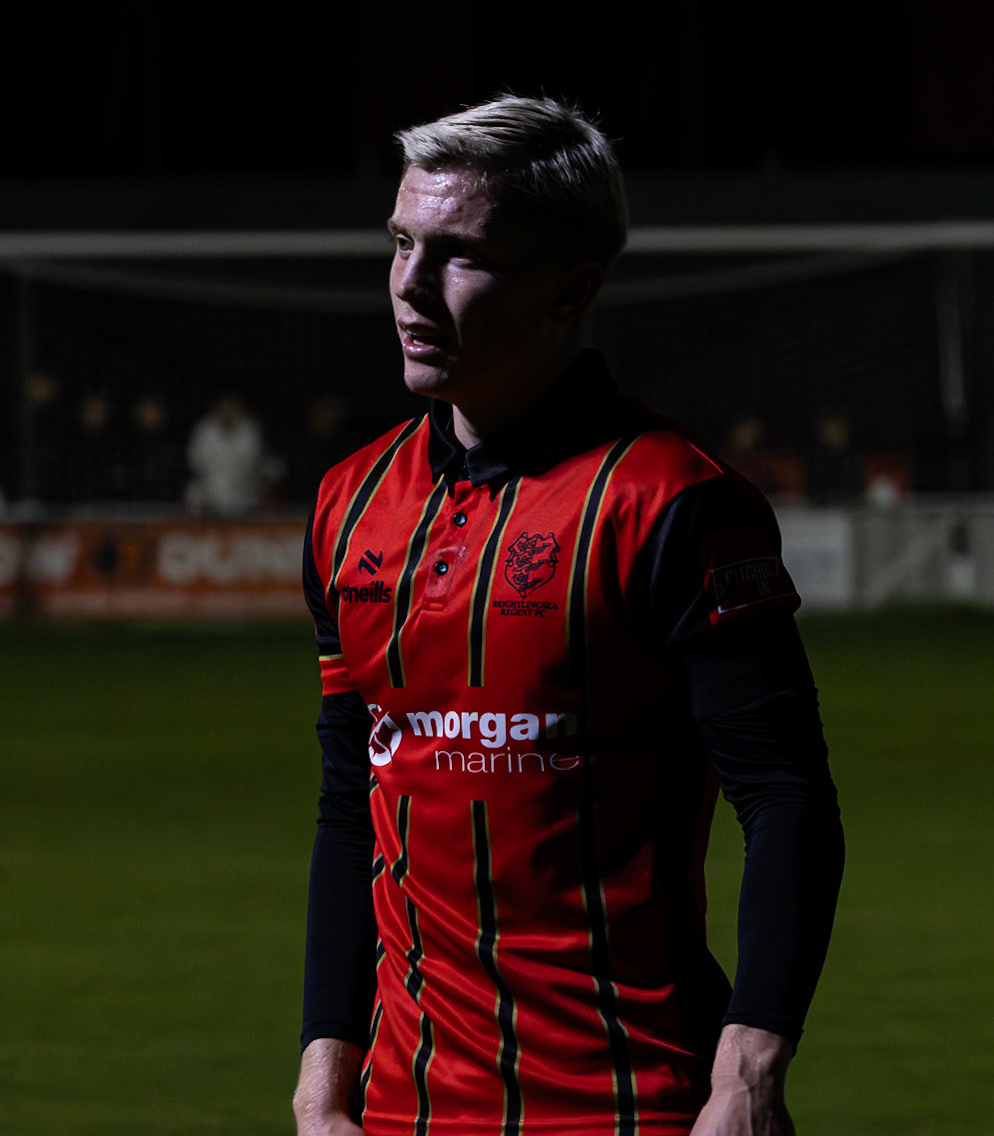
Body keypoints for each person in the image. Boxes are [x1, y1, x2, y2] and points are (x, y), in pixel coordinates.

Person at [294, 96, 843, 1136]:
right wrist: (324, 1077)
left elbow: (785, 797)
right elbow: (348, 804)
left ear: (569, 290)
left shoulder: (676, 504)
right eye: (402, 243)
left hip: (632, 1099)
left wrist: (748, 1072)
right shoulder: (348, 503)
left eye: (460, 255)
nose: (409, 284)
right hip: (404, 1107)